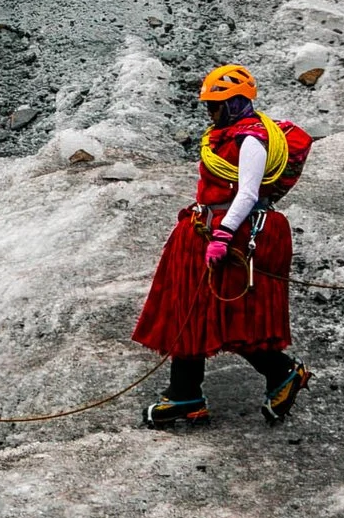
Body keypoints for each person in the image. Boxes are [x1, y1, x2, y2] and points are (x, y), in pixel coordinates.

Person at [133, 66, 314, 428]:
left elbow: (247, 192)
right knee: (195, 307)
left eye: (215, 105)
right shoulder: (224, 135)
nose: (210, 113)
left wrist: (223, 234)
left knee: (219, 308)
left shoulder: (251, 139)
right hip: (209, 229)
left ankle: (274, 374)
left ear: (233, 102)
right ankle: (189, 391)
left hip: (233, 234)